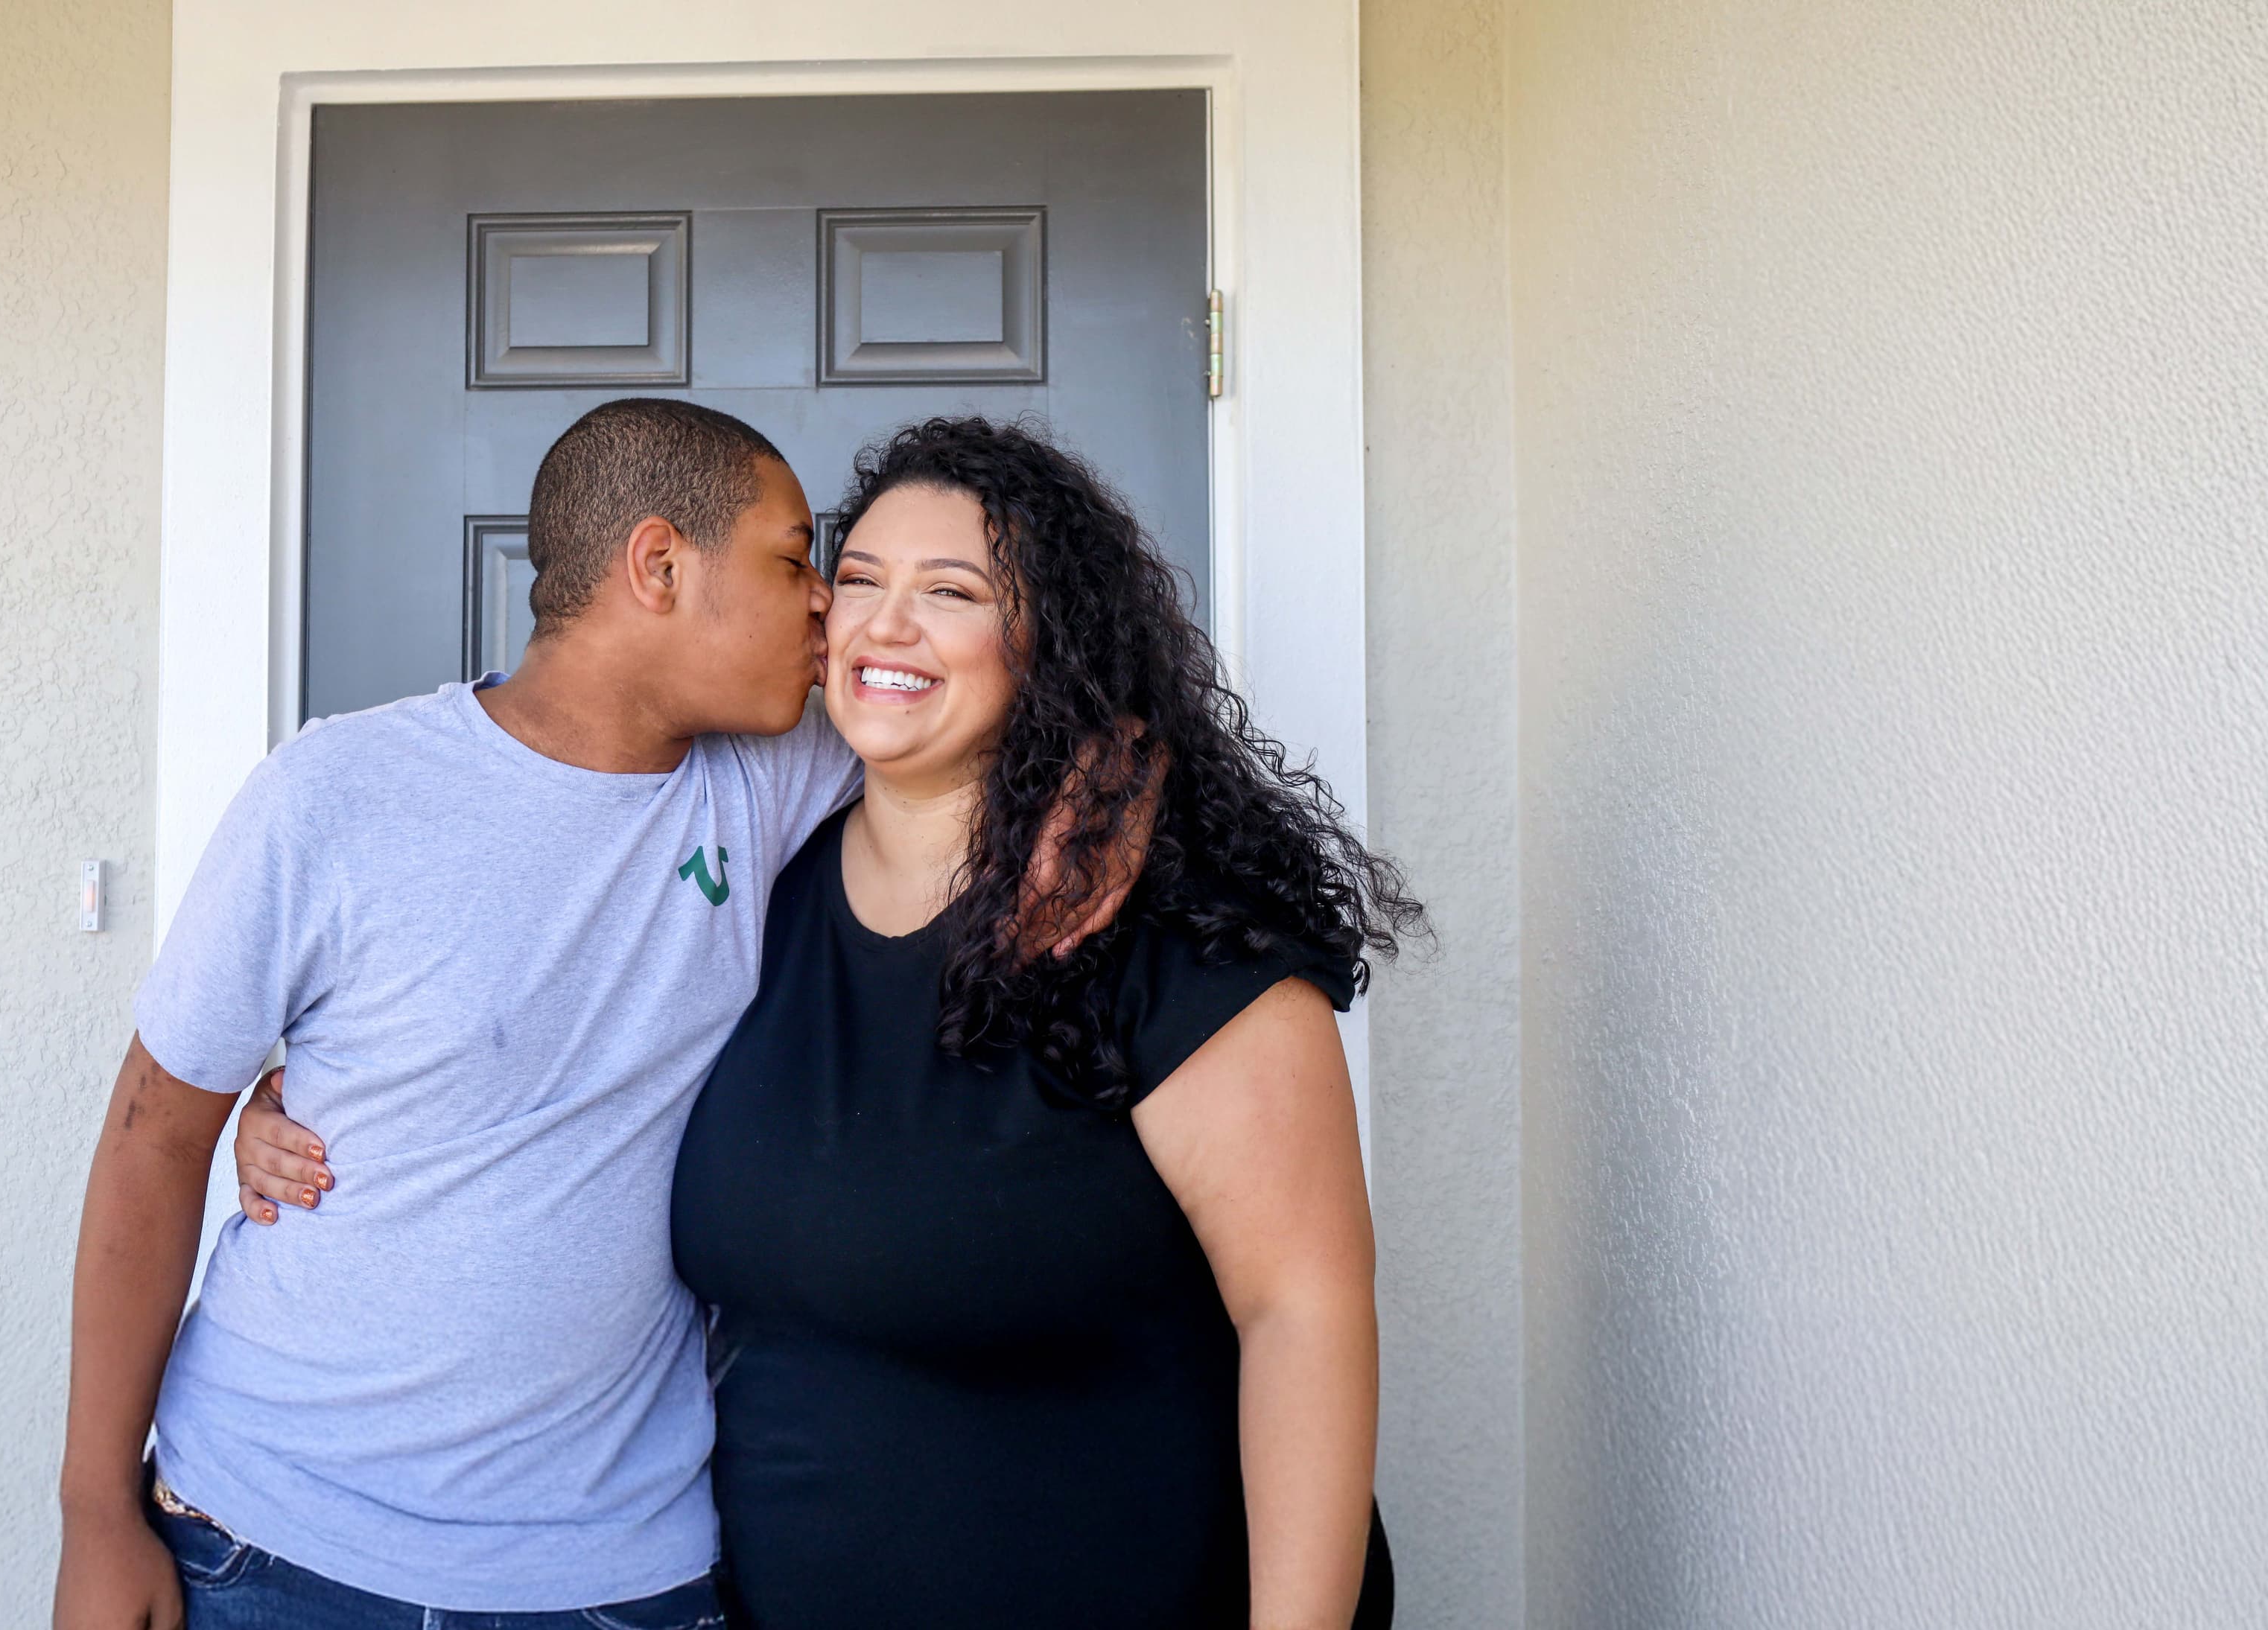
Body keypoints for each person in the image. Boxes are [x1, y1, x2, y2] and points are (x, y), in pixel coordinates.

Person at [239, 418, 1419, 1628]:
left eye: (950, 591)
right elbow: (531, 1024)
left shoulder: (1159, 930)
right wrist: (301, 1104)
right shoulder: (759, 883)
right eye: (857, 578)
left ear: (1050, 642)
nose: (882, 622)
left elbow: (1304, 1310)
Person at [53, 398, 1140, 1630]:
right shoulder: (334, 795)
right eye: (796, 561)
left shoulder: (773, 777)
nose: (827, 608)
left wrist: (1127, 773)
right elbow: (152, 1140)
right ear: (660, 565)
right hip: (267, 1539)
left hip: (613, 1578)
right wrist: (94, 1509)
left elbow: (1018, 708)